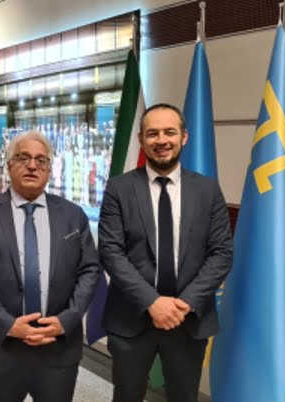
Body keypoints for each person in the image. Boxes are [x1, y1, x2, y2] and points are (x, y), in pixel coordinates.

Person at [99, 103, 233, 402]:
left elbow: (221, 253)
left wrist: (186, 303)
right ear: (141, 139)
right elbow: (110, 252)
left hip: (188, 319)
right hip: (131, 318)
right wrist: (152, 302)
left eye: (169, 132)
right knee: (126, 396)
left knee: (184, 397)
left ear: (184, 137)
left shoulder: (208, 190)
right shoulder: (119, 189)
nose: (162, 140)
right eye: (153, 133)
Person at [0, 131, 100, 402]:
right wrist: (8, 325)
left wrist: (66, 320)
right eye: (23, 158)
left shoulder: (73, 215)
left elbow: (90, 271)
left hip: (57, 346)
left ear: (49, 169)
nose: (32, 165)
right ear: (9, 165)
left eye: (41, 160)